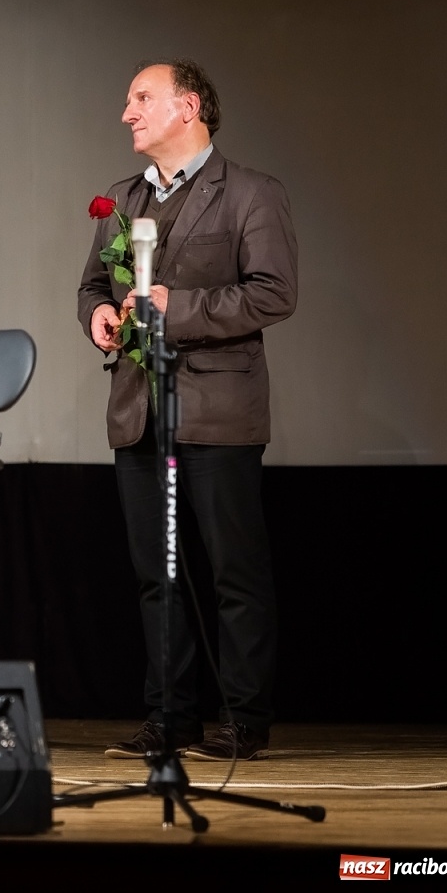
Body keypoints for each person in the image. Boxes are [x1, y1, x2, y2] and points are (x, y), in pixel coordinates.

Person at [79, 60, 298, 762]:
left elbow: (273, 293)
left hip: (218, 411)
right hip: (140, 410)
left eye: (141, 98)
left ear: (189, 107)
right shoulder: (122, 199)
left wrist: (182, 309)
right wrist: (99, 317)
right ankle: (170, 718)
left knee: (234, 572)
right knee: (156, 576)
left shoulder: (251, 194)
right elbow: (90, 285)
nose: (127, 113)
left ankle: (244, 718)